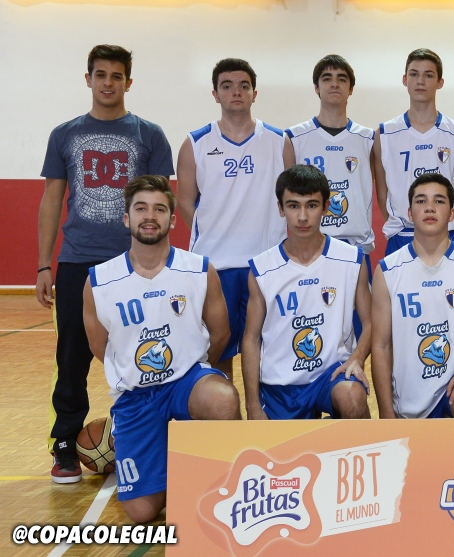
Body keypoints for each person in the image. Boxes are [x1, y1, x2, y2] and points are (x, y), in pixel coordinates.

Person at [39, 44, 174, 483]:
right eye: (101, 75)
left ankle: (150, 434)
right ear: (88, 79)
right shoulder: (64, 134)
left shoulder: (149, 134)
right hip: (77, 261)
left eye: (117, 76)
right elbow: (52, 200)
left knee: (147, 349)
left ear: (128, 82)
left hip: (135, 264)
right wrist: (43, 265)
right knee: (72, 356)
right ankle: (65, 442)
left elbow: (160, 204)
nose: (108, 83)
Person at [83, 176, 240, 522]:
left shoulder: (199, 269)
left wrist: (193, 369)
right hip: (136, 396)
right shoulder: (99, 281)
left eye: (159, 209)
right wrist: (137, 372)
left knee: (222, 399)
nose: (150, 216)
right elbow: (100, 347)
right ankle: (171, 457)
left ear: (172, 219)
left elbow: (221, 333)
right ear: (127, 218)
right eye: (141, 209)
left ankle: (226, 490)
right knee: (141, 512)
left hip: (186, 382)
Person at [176, 58, 289, 381]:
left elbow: (289, 200)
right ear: (215, 94)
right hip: (216, 267)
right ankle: (225, 411)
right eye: (227, 86)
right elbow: (184, 202)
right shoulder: (195, 143)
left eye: (243, 86)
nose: (236, 92)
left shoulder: (279, 141)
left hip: (266, 265)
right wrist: (215, 234)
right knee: (219, 353)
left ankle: (261, 410)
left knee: (268, 353)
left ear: (255, 93)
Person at [241, 166, 372, 420]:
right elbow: (251, 339)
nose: (302, 217)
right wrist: (252, 405)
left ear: (326, 207)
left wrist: (357, 358)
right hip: (281, 385)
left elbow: (370, 323)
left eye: (311, 206)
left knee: (353, 397)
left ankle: (359, 446)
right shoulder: (262, 268)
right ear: (281, 209)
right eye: (293, 206)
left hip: (330, 376)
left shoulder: (352, 259)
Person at [371, 173, 454, 419]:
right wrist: (385, 411)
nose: (429, 207)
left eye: (439, 201)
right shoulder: (387, 270)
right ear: (410, 213)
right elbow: (381, 346)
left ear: (452, 214)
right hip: (410, 393)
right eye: (421, 201)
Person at [373, 48, 454, 256]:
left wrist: (442, 224)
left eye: (428, 75)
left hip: (446, 236)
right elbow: (382, 194)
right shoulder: (384, 134)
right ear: (404, 79)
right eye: (414, 74)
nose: (420, 81)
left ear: (440, 82)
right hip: (401, 237)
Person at [286, 55, 377, 254]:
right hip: (310, 244)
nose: (334, 84)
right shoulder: (294, 138)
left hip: (356, 246)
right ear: (316, 87)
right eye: (327, 78)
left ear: (351, 89)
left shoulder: (369, 138)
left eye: (342, 79)